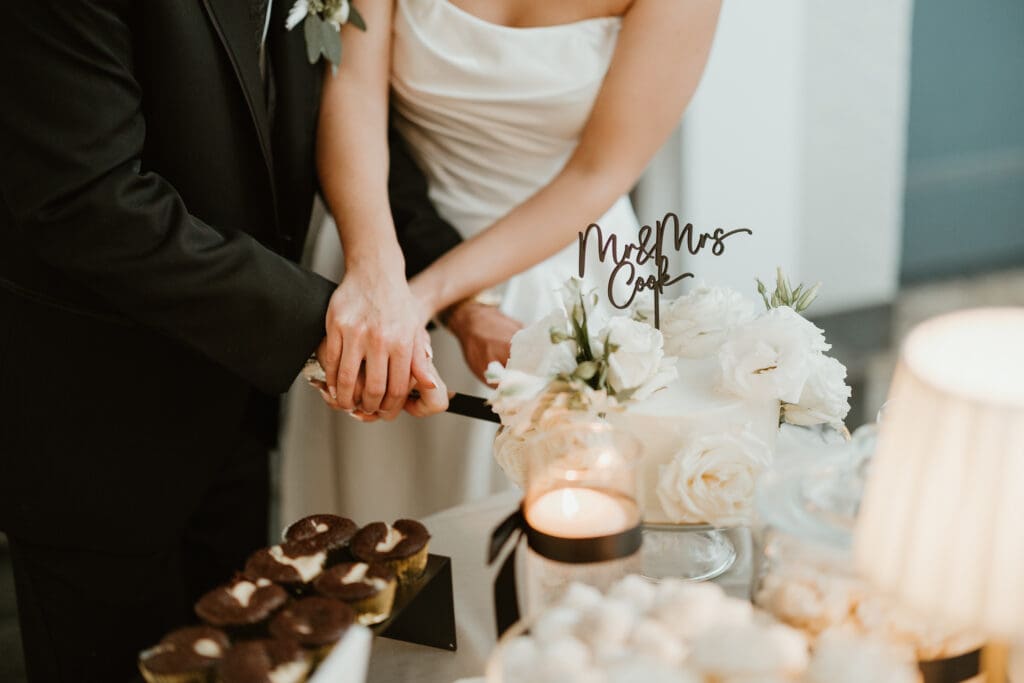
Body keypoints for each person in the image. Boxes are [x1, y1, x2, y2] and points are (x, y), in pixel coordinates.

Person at [0, 1, 465, 679]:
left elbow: (346, 121)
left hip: (236, 406)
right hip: (96, 425)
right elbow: (88, 201)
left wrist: (459, 293)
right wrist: (326, 323)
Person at [281, 0, 722, 522]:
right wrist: (376, 275)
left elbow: (598, 174)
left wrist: (417, 300)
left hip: (564, 269)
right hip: (379, 235)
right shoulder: (377, 266)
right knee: (378, 528)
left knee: (551, 526)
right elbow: (351, 92)